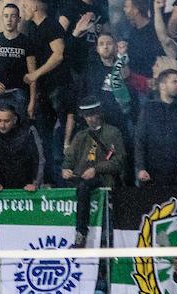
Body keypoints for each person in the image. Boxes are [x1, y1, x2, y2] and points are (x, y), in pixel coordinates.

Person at [62, 99, 124, 247]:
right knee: (80, 186)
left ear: (99, 114)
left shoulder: (113, 133)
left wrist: (96, 169)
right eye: (86, 116)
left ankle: (81, 233)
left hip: (104, 179)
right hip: (81, 179)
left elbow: (119, 161)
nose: (89, 119)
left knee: (84, 187)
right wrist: (66, 170)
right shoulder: (80, 136)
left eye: (92, 115)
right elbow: (69, 159)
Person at [0, 3, 37, 121]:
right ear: (2, 18)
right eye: (6, 16)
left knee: (18, 131)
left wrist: (32, 102)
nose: (9, 20)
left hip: (17, 93)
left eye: (13, 16)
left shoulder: (26, 42)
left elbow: (33, 74)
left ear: (18, 19)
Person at [134, 68, 177, 186]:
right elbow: (140, 140)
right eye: (174, 82)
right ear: (162, 85)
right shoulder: (148, 109)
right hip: (154, 173)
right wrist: (141, 168)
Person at [0, 105, 44, 191]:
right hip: (1, 184)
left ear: (14, 120)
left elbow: (38, 158)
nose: (2, 125)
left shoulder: (28, 130)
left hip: (26, 184)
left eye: (6, 121)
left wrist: (35, 183)